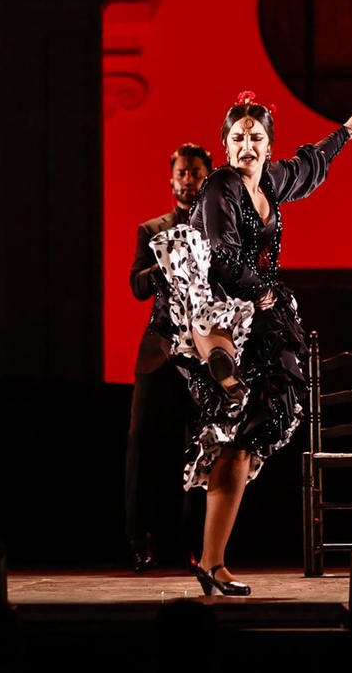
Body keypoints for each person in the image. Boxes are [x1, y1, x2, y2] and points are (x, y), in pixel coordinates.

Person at [150, 92, 352, 596]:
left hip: (260, 316)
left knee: (248, 440)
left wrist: (344, 134)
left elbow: (308, 166)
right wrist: (266, 293)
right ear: (225, 146)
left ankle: (211, 562)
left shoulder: (269, 182)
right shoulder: (221, 187)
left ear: (267, 146)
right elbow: (224, 257)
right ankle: (220, 364)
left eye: (256, 138)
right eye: (238, 138)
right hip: (220, 303)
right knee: (237, 429)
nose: (247, 146)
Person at [124, 142, 211, 573]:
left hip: (202, 355)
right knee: (143, 447)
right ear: (171, 178)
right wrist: (166, 264)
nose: (188, 179)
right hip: (159, 353)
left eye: (196, 172)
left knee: (199, 452)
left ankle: (191, 547)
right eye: (182, 172)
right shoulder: (152, 229)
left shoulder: (221, 228)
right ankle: (141, 542)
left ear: (206, 177)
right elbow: (137, 286)